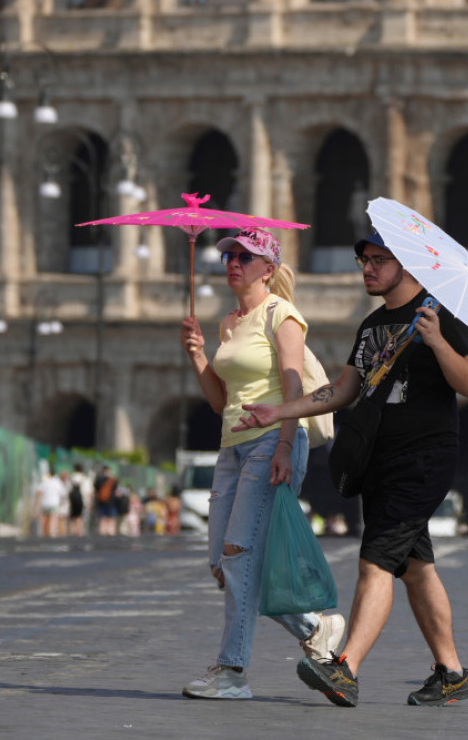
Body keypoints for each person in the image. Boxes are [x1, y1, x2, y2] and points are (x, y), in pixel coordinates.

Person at [233, 229, 468, 707]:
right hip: (379, 458)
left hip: (424, 458)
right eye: (363, 260)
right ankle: (451, 673)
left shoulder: (441, 313)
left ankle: (346, 668)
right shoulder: (370, 326)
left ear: (405, 264)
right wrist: (279, 411)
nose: (367, 268)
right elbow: (344, 390)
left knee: (376, 561)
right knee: (415, 567)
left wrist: (437, 342)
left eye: (377, 260)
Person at [178, 226, 345, 700]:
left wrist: (285, 447)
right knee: (222, 562)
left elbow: (293, 387)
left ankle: (232, 673)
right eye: (229, 255)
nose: (233, 262)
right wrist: (198, 356)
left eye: (245, 257)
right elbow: (218, 401)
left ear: (267, 269)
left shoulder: (283, 315)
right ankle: (315, 628)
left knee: (239, 558)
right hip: (232, 447)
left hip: (272, 440)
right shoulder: (229, 322)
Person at [33, 468, 66, 538]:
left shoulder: (45, 482)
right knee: (52, 522)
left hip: (44, 504)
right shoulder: (58, 483)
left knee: (44, 524)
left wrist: (36, 505)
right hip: (54, 504)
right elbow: (63, 494)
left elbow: (39, 493)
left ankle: (44, 537)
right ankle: (51, 538)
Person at [94, 466, 120, 537]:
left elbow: (96, 490)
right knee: (111, 517)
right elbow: (116, 491)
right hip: (111, 501)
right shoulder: (113, 480)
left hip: (101, 501)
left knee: (103, 517)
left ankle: (102, 531)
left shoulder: (98, 480)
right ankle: (110, 531)